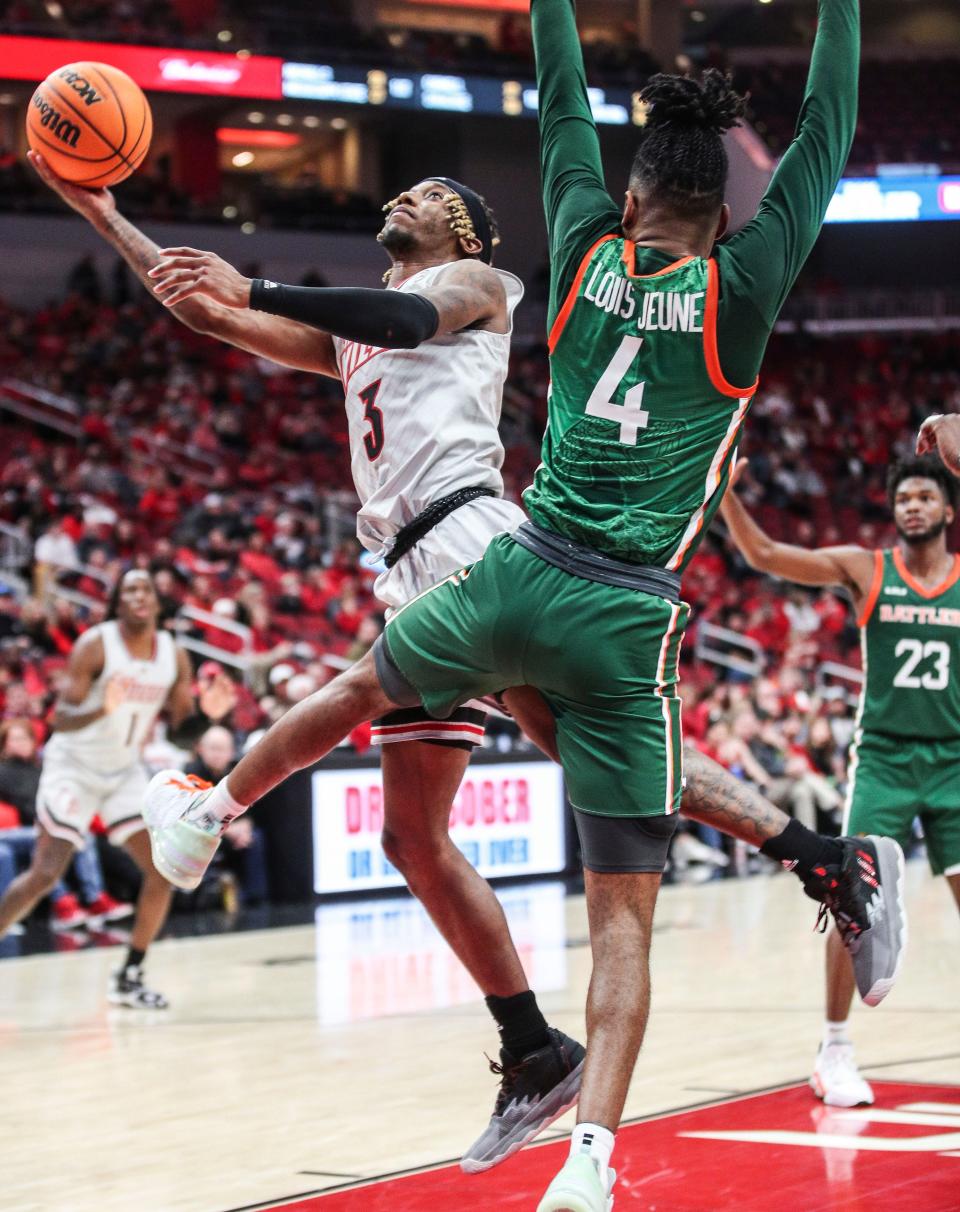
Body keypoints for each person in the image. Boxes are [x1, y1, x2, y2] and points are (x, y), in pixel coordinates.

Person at [29, 31, 894, 1174]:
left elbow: (393, 308)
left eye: (430, 190)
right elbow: (215, 313)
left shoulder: (477, 285)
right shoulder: (364, 326)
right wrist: (99, 209)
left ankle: (817, 859)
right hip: (430, 565)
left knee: (556, 740)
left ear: (469, 233)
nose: (407, 193)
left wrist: (255, 283)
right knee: (411, 835)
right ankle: (540, 1043)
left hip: (481, 542)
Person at [721, 453, 956, 1108]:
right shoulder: (866, 568)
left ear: (948, 511)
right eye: (903, 497)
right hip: (884, 758)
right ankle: (834, 1050)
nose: (913, 505)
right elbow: (766, 554)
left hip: (954, 761)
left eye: (925, 496)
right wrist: (725, 497)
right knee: (855, 903)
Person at [0, 571, 233, 1007]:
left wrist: (205, 714)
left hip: (123, 771)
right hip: (72, 766)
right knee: (45, 874)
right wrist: (99, 708)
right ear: (117, 602)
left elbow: (183, 735)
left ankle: (129, 974)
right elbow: (60, 719)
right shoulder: (96, 644)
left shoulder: (173, 656)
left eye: (146, 588)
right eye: (129, 590)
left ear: (158, 601)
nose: (139, 595)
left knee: (162, 871)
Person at [0, 717, 131, 933]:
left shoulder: (40, 769)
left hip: (41, 825)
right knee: (47, 839)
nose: (20, 743)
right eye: (14, 739)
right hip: (13, 832)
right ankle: (63, 904)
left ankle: (96, 898)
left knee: (81, 835)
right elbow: (23, 805)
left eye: (24, 738)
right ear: (5, 743)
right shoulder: (3, 772)